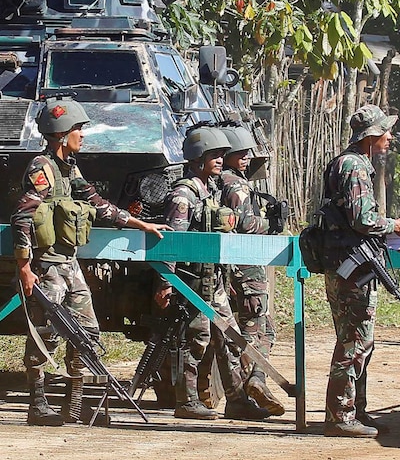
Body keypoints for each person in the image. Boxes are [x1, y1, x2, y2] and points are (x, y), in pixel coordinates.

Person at [12, 96, 170, 426]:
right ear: (60, 133)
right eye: (78, 129)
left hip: (69, 265)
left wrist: (141, 224)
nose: (82, 135)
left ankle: (77, 404)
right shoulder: (42, 169)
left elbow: (98, 205)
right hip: (46, 266)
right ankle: (38, 404)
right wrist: (25, 267)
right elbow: (23, 217)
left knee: (87, 332)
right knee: (46, 333)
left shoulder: (71, 169)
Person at [156, 124, 271, 421]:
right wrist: (166, 282)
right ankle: (188, 400)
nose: (221, 159)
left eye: (222, 154)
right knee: (196, 339)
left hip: (214, 279)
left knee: (230, 338)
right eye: (214, 155)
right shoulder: (184, 195)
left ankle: (236, 399)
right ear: (197, 158)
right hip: (191, 280)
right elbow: (171, 242)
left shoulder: (212, 192)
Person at [319, 104, 400, 438]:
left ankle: (355, 409)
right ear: (372, 135)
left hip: (350, 263)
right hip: (351, 268)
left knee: (360, 341)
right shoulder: (354, 166)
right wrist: (396, 225)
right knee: (354, 341)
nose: (390, 137)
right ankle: (341, 415)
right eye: (386, 131)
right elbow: (362, 220)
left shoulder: (352, 163)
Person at [218, 122, 284, 416]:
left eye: (247, 151)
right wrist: (272, 224)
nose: (246, 156)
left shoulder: (216, 180)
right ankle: (255, 381)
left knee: (235, 330)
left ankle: (246, 391)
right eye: (239, 152)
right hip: (245, 265)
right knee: (259, 326)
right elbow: (245, 225)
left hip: (226, 266)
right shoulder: (237, 185)